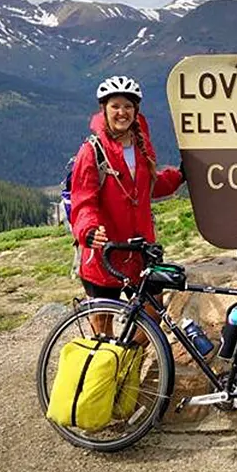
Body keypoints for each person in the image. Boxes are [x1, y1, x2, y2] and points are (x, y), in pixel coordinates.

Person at [69, 76, 184, 332]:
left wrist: (180, 175)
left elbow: (149, 188)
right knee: (102, 328)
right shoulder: (92, 151)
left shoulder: (142, 146)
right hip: (105, 253)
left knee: (151, 320)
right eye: (115, 106)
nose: (122, 112)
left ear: (136, 110)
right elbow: (83, 200)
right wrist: (88, 230)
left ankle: (128, 367)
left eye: (128, 106)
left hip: (142, 251)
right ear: (104, 109)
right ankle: (107, 371)